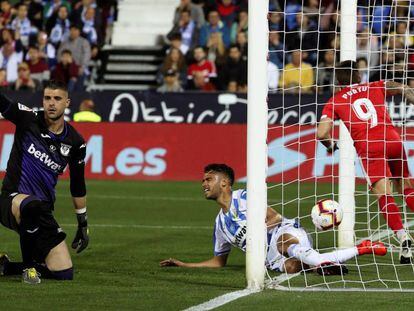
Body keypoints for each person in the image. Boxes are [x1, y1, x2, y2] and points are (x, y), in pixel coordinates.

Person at [160, 164, 387, 274]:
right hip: (271, 259)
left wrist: (257, 235)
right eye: (202, 181)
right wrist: (184, 264)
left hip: (285, 234)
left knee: (285, 244)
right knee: (291, 267)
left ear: (225, 183)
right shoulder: (219, 225)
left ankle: (361, 249)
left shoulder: (245, 197)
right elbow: (219, 261)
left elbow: (275, 218)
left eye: (209, 179)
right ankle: (322, 265)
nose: (204, 184)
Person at [317, 60, 414, 264]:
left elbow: (321, 132)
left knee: (384, 194)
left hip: (370, 147)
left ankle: (403, 237)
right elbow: (403, 88)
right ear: (359, 75)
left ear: (338, 79)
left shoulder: (335, 101)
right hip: (393, 139)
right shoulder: (375, 85)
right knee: (406, 187)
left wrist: (330, 144)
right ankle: (405, 249)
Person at [0, 80, 89, 284]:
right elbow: (3, 103)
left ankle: (7, 266)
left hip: (42, 212)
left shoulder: (75, 141)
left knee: (63, 273)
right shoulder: (27, 119)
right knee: (31, 206)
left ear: (67, 102)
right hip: (11, 201)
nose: (51, 103)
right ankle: (29, 269)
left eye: (57, 99)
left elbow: (78, 186)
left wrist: (83, 224)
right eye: (47, 98)